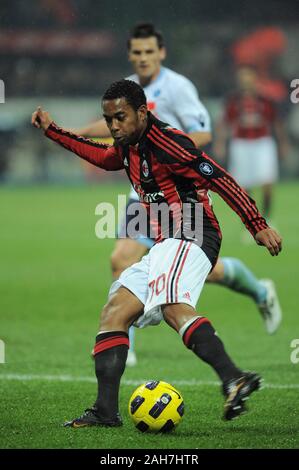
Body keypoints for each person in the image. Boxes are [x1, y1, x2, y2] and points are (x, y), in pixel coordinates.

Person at [32, 79, 282, 426]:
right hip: (167, 239)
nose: (114, 126)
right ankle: (106, 411)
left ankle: (234, 378)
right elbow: (104, 158)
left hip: (194, 231)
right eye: (109, 120)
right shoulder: (127, 144)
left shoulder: (170, 144)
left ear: (140, 113)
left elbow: (221, 178)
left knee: (172, 307)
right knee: (115, 310)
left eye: (120, 117)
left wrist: (257, 224)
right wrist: (53, 132)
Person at [71, 25, 282, 364]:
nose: (142, 58)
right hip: (141, 195)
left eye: (148, 52)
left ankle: (259, 290)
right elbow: (112, 126)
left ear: (161, 53)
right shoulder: (129, 87)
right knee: (121, 258)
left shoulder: (179, 87)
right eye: (137, 52)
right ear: (130, 55)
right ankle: (126, 346)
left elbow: (202, 134)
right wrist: (75, 133)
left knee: (204, 271)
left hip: (179, 197)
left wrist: (163, 156)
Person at [214, 65, 288, 221]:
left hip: (263, 143)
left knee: (267, 182)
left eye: (248, 76)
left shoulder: (265, 100)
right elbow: (225, 122)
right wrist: (220, 143)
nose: (245, 80)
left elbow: (276, 122)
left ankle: (267, 218)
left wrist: (283, 143)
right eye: (242, 77)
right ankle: (252, 221)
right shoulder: (233, 100)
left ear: (254, 78)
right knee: (244, 186)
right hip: (240, 144)